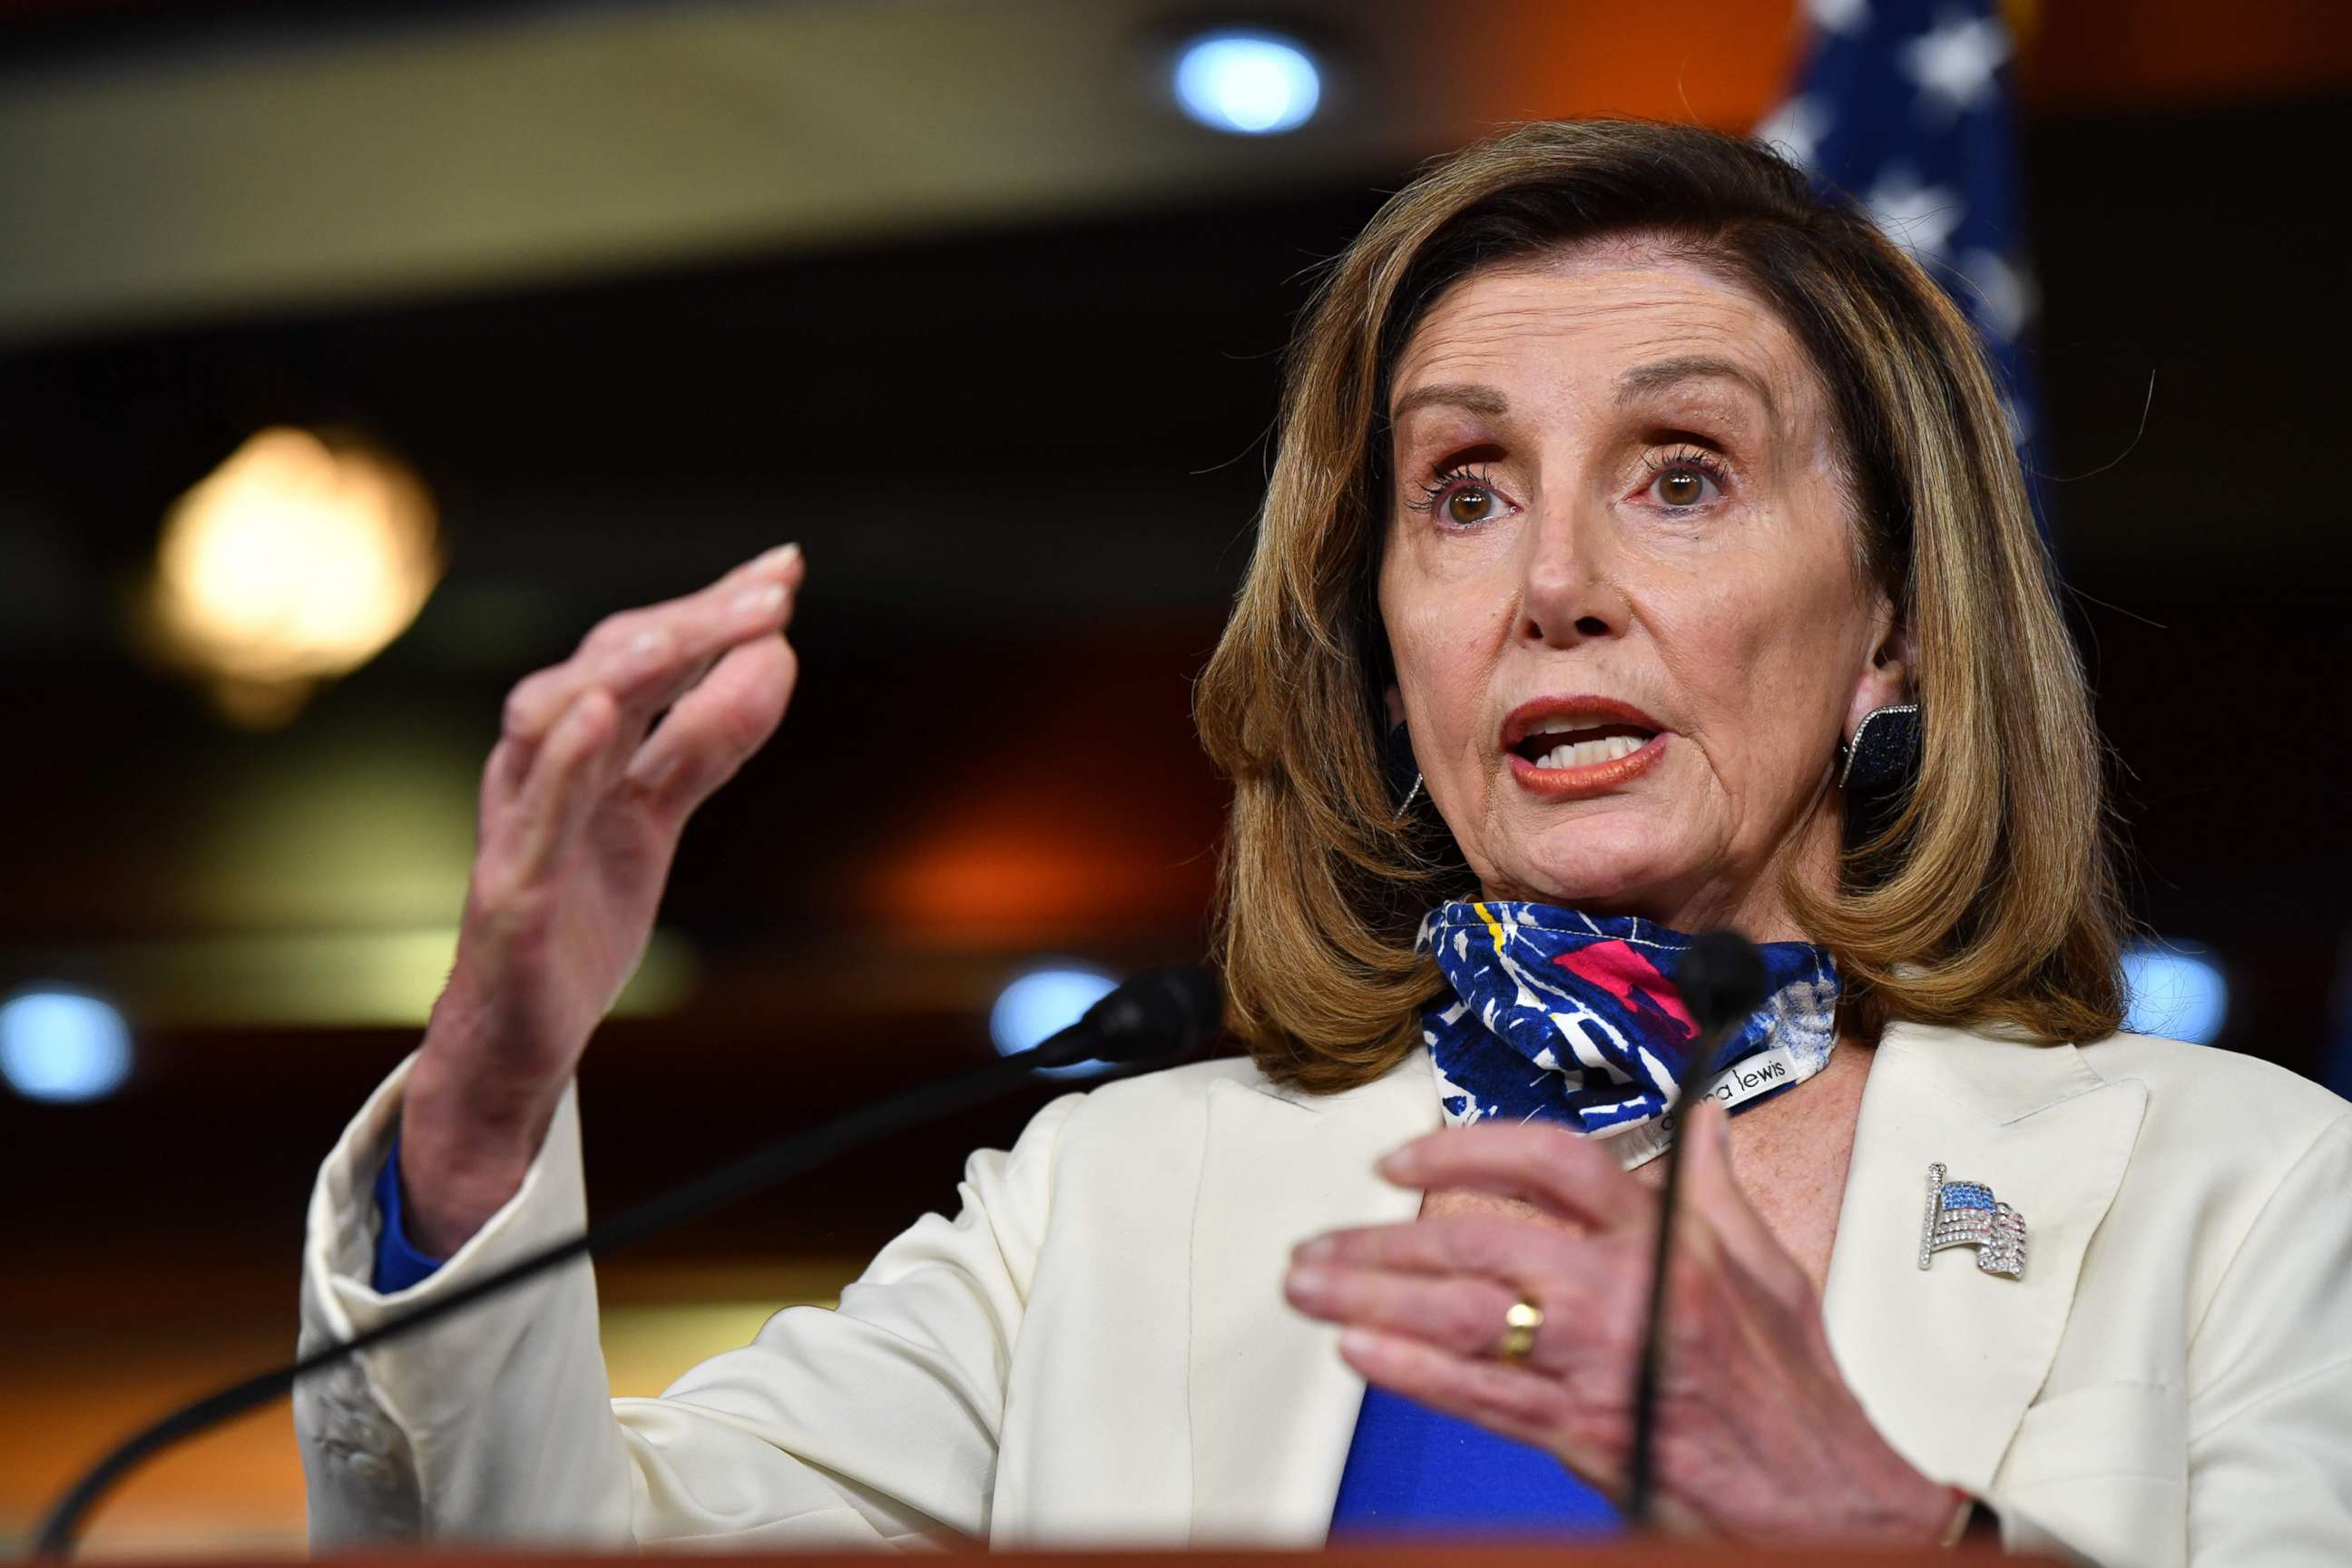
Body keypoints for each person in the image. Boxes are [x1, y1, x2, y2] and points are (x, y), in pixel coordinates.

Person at [296, 119, 2352, 1563]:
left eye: (1682, 474)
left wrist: (1870, 1529)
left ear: (1894, 631)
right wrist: (487, 1098)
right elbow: (536, 1551)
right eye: (1462, 494)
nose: (1552, 581)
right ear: (1388, 651)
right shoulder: (1108, 1201)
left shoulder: (2243, 1195)